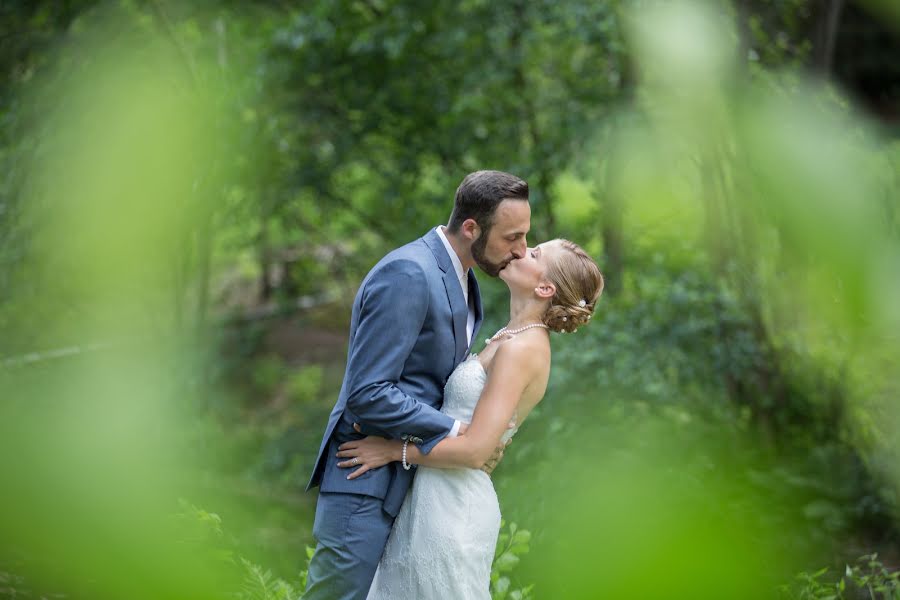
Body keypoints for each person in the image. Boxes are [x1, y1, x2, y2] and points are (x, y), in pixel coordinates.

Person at [304, 170, 532, 600]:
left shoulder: (463, 280)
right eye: (512, 237)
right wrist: (456, 431)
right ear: (471, 228)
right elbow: (367, 392)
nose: (520, 250)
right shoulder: (409, 273)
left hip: (413, 481)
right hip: (363, 476)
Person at [336, 238, 604, 599]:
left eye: (535, 253)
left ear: (544, 287)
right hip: (432, 497)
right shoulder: (509, 337)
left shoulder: (522, 350)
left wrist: (391, 451)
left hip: (453, 508)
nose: (521, 250)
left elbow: (477, 452)